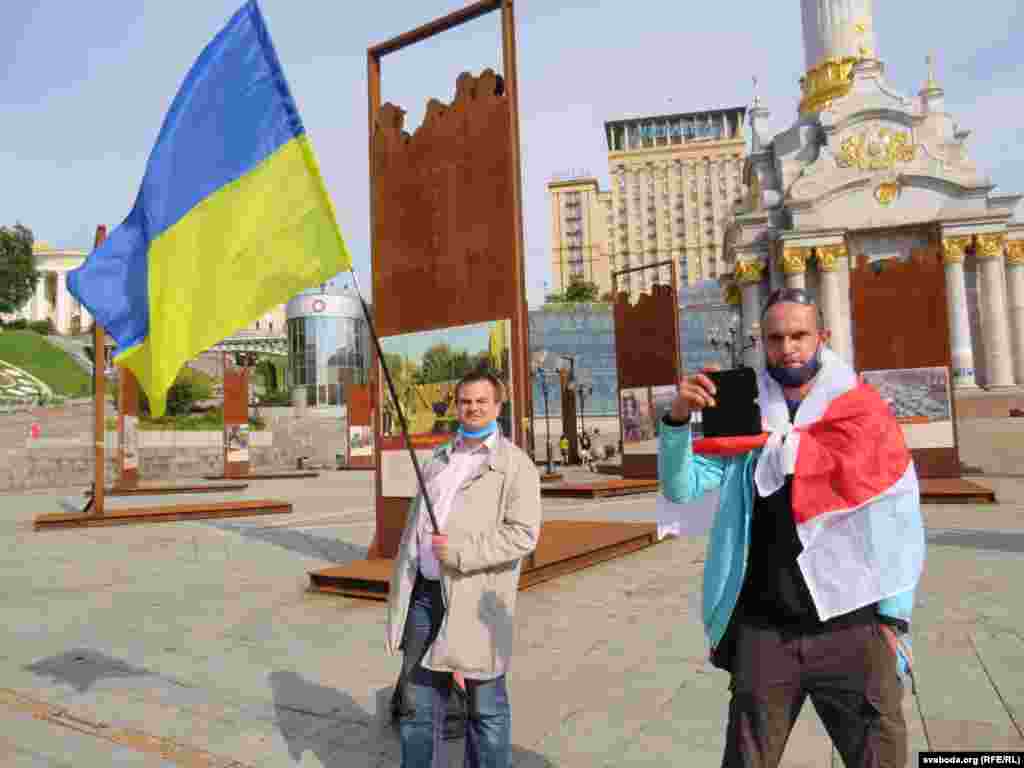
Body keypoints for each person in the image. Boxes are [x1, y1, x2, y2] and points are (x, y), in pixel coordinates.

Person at [658, 288, 925, 768]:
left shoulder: (861, 412)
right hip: (766, 633)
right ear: (762, 343)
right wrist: (677, 420)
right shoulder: (744, 416)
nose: (788, 348)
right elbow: (681, 488)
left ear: (822, 336)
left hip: (853, 627)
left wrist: (894, 618)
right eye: (776, 338)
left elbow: (898, 512)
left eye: (799, 335)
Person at [386, 369, 542, 768]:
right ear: (456, 406)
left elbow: (523, 535)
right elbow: (416, 525)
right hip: (424, 597)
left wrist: (459, 552)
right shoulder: (438, 459)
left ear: (498, 406)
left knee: (485, 708)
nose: (472, 408)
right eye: (465, 401)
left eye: (481, 401)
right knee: (416, 708)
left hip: (477, 601)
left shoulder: (516, 465)